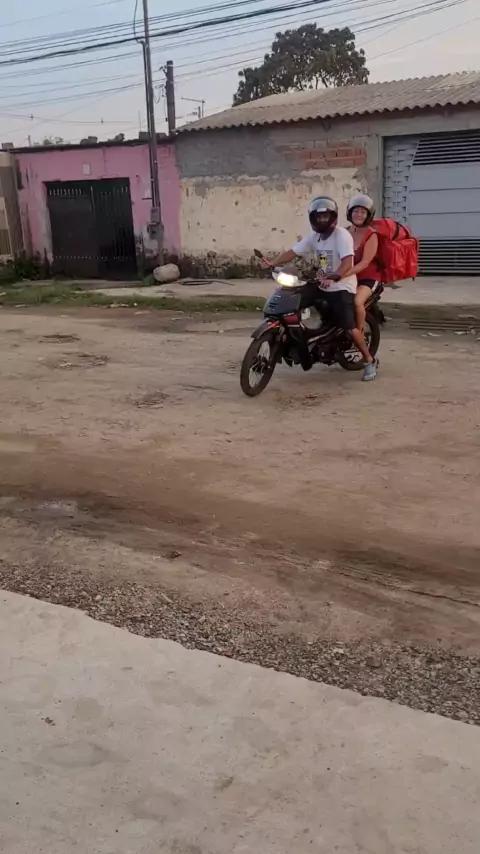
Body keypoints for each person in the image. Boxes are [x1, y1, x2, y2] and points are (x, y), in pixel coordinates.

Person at [268, 195, 378, 381]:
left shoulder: (342, 235)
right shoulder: (314, 237)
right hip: (322, 283)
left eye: (326, 216)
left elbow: (347, 262)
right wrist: (272, 263)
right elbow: (293, 252)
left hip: (342, 286)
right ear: (313, 218)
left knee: (350, 328)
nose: (322, 220)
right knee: (291, 301)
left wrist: (336, 276)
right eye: (318, 217)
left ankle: (369, 360)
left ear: (333, 217)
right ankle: (297, 341)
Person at [346, 194, 381, 334]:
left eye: (363, 212)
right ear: (350, 213)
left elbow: (365, 263)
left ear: (368, 215)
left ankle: (359, 334)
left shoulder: (371, 235)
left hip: (368, 278)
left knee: (356, 302)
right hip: (348, 276)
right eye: (356, 211)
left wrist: (342, 274)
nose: (359, 214)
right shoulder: (344, 232)